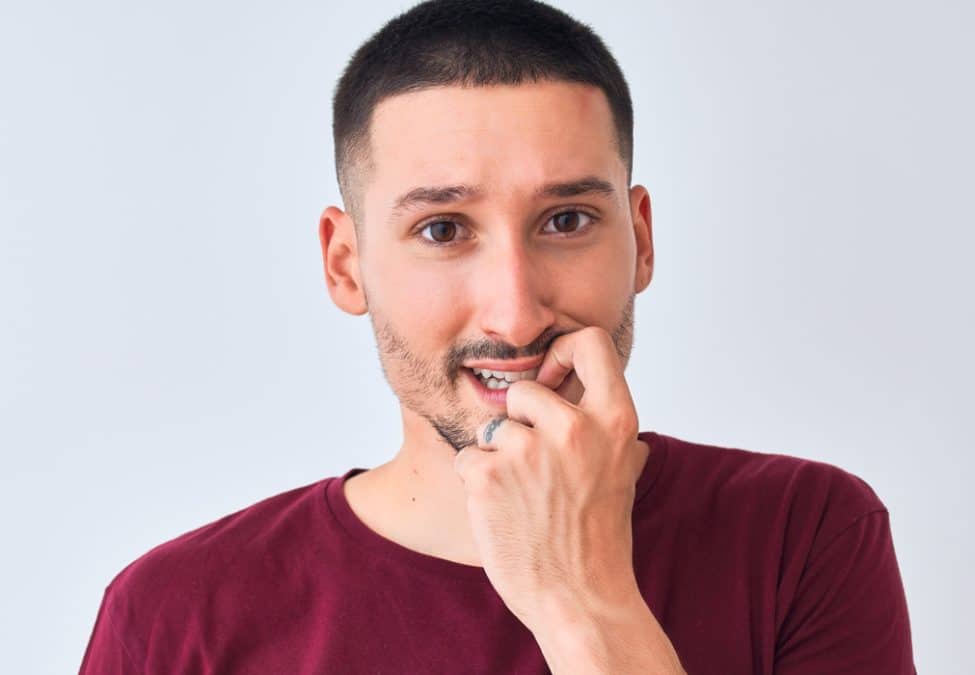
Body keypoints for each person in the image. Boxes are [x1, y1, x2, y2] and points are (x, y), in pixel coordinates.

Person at [79, 0, 916, 673]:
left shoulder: (803, 536)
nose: (514, 314)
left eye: (566, 219)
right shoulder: (174, 614)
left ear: (642, 240)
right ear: (346, 265)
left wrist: (579, 600)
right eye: (443, 230)